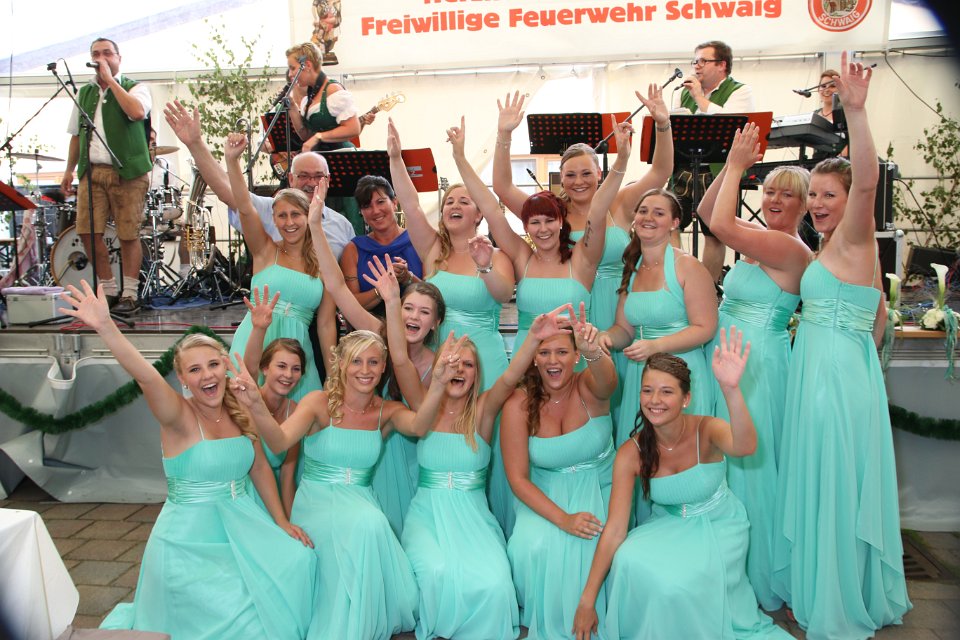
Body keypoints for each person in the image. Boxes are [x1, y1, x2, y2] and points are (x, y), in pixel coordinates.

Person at [60, 281, 316, 639]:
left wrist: (280, 522)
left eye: (213, 365)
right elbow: (146, 376)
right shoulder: (178, 416)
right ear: (181, 378)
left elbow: (259, 467)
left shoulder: (239, 407)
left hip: (242, 525)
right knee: (243, 615)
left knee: (299, 561)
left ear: (225, 367)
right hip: (188, 543)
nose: (207, 375)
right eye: (195, 370)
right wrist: (105, 326)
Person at [772, 53, 911, 639]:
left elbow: (869, 180)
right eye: (815, 196)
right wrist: (862, 364)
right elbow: (876, 313)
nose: (818, 204)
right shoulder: (831, 249)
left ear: (850, 200)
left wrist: (855, 110)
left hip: (831, 380)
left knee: (831, 482)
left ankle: (833, 597)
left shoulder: (854, 236)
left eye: (829, 194)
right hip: (833, 373)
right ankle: (829, 584)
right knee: (829, 480)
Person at [572, 337, 791, 640]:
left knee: (675, 583)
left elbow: (745, 446)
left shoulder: (707, 429)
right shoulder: (631, 453)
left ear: (686, 398)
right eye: (647, 390)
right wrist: (587, 599)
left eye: (667, 391)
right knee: (627, 560)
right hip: (669, 525)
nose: (655, 400)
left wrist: (731, 389)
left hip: (719, 526)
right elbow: (615, 530)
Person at [232, 329, 442, 640]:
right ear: (341, 363)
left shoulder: (387, 411)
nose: (365, 370)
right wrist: (255, 404)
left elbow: (420, 426)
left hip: (359, 501)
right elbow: (279, 442)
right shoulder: (317, 403)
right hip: (317, 502)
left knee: (368, 522)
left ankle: (358, 622)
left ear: (383, 367)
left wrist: (438, 384)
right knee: (369, 524)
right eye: (356, 361)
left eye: (373, 362)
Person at [388, 290, 573, 640]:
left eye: (468, 365)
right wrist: (391, 302)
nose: (459, 369)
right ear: (440, 368)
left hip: (473, 518)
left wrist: (534, 338)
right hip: (428, 516)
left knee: (495, 584)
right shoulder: (423, 405)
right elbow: (399, 359)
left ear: (477, 374)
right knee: (436, 573)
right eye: (452, 362)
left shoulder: (484, 412)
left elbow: (510, 377)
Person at [695, 123, 811, 611]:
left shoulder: (789, 248)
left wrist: (738, 165)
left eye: (787, 194)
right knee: (723, 457)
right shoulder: (760, 237)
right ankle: (720, 563)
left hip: (757, 363)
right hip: (729, 354)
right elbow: (707, 214)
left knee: (749, 466)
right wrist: (730, 167)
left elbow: (721, 227)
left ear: (805, 205)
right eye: (770, 191)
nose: (775, 200)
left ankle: (754, 571)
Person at [387, 117, 517, 535]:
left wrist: (484, 265)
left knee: (484, 443)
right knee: (439, 440)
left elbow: (503, 294)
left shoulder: (496, 254)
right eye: (448, 202)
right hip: (440, 363)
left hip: (484, 358)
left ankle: (490, 525)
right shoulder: (433, 250)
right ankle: (441, 522)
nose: (455, 205)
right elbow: (410, 205)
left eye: (465, 200)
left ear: (479, 212)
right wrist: (395, 159)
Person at [310, 190, 444, 537]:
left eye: (424, 312)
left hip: (413, 455)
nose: (413, 317)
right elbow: (337, 287)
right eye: (408, 308)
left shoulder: (437, 364)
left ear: (435, 323)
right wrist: (315, 227)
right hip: (370, 451)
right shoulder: (377, 333)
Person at [493, 87, 674, 333]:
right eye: (570, 175)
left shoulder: (620, 203)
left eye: (586, 173)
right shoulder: (551, 215)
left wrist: (662, 125)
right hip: (571, 309)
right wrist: (504, 135)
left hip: (618, 305)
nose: (579, 182)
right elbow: (503, 187)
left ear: (599, 173)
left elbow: (661, 172)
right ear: (561, 178)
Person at [501, 302, 618, 639]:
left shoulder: (590, 387)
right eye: (545, 352)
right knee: (530, 547)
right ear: (534, 359)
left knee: (592, 546)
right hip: (545, 494)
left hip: (599, 488)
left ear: (576, 356)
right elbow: (517, 479)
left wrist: (593, 350)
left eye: (563, 352)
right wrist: (564, 519)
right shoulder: (518, 404)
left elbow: (609, 382)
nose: (553, 361)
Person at [601, 189, 718, 449]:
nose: (648, 217)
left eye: (659, 213)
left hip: (680, 370)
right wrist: (603, 337)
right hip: (641, 373)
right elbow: (624, 330)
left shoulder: (687, 266)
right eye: (643, 211)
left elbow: (705, 327)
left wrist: (656, 346)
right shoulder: (632, 267)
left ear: (674, 222)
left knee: (679, 451)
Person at [162, 100, 355, 257]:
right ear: (291, 179)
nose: (311, 183)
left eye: (318, 176)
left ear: (328, 180)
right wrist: (195, 144)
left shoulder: (342, 225)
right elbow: (229, 193)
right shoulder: (271, 210)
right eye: (303, 176)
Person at [225, 133, 336, 401]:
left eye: (296, 214)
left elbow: (325, 325)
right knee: (248, 416)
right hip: (255, 342)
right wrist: (232, 161)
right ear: (273, 220)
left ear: (308, 216)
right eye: (282, 216)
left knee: (302, 419)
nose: (289, 223)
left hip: (297, 356)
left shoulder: (324, 262)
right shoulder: (265, 250)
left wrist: (333, 376)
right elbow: (245, 207)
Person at [60, 38, 152, 315]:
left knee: (128, 233)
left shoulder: (136, 87)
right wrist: (69, 170)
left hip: (128, 172)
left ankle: (130, 293)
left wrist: (110, 81)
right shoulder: (84, 93)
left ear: (118, 58)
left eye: (107, 53)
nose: (101, 58)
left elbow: (136, 112)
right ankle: (108, 289)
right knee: (87, 231)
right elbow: (76, 135)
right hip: (92, 172)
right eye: (96, 54)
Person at [674, 40, 756, 284]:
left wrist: (699, 98)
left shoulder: (740, 91)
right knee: (670, 222)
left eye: (703, 61)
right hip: (684, 167)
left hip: (719, 170)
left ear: (722, 65)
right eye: (695, 61)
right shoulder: (682, 93)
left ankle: (707, 287)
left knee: (714, 231)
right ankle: (677, 279)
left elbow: (733, 122)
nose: (697, 66)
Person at [239, 286, 305, 518]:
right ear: (265, 368)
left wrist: (289, 524)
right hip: (245, 497)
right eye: (281, 366)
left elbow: (287, 477)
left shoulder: (296, 413)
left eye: (296, 369)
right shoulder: (248, 399)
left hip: (275, 498)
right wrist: (259, 328)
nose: (288, 375)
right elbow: (248, 369)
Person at [284, 41, 363, 233]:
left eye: (293, 68)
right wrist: (293, 108)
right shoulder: (309, 96)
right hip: (320, 162)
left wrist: (319, 136)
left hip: (341, 161)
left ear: (307, 65)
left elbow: (354, 128)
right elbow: (305, 134)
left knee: (344, 215)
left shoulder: (333, 90)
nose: (290, 74)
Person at [339, 174, 424, 316]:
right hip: (369, 327)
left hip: (415, 325)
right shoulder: (353, 249)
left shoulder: (419, 241)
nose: (375, 211)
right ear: (361, 212)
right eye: (367, 206)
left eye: (380, 202)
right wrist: (381, 289)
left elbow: (434, 297)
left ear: (395, 202)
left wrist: (407, 277)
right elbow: (349, 305)